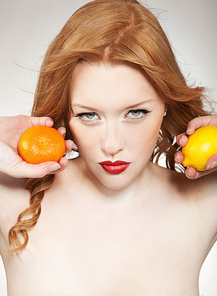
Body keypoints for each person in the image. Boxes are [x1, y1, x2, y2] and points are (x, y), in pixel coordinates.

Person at [0, 0, 217, 295]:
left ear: (166, 103)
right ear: (66, 112)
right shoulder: (10, 199)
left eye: (136, 112)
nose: (112, 145)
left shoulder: (206, 198)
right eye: (88, 115)